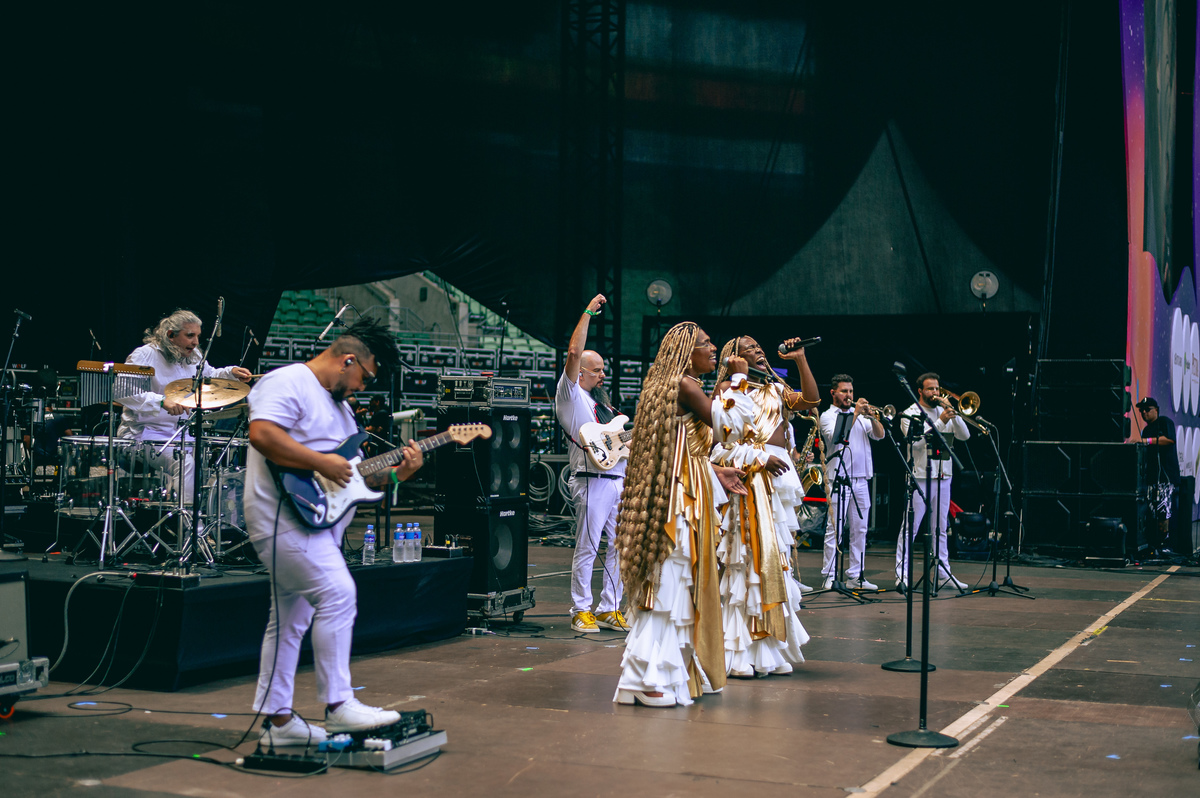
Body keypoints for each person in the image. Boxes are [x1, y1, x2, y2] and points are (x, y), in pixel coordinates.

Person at [244, 317, 424, 747]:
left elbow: (355, 478)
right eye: (366, 377)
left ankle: (279, 724)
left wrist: (399, 474)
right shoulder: (288, 381)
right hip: (282, 519)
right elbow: (262, 434)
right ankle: (339, 705)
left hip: (317, 526)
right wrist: (320, 461)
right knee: (338, 595)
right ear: (348, 361)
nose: (364, 387)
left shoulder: (342, 411)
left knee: (289, 622)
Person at [613, 322, 745, 707]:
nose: (714, 348)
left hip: (685, 493)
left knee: (672, 586)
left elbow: (686, 451)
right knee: (668, 585)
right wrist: (737, 381)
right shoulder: (685, 385)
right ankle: (644, 678)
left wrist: (716, 472)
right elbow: (727, 428)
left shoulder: (676, 385)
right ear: (687, 354)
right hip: (680, 503)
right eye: (706, 343)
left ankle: (654, 676)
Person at [710, 335, 819, 678]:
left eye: (760, 346)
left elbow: (811, 399)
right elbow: (720, 440)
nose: (759, 350)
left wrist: (799, 359)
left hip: (778, 478)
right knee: (747, 556)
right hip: (748, 473)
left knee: (776, 557)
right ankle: (739, 650)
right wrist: (755, 458)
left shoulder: (776, 388)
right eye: (750, 348)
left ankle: (769, 645)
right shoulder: (728, 389)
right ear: (735, 357)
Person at [117, 309, 252, 502]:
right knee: (185, 463)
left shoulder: (193, 355)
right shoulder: (145, 355)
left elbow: (209, 376)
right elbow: (122, 390)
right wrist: (161, 401)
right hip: (144, 433)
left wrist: (231, 373)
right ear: (170, 335)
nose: (196, 342)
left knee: (210, 462)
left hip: (181, 434)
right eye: (190, 336)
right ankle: (188, 519)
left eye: (197, 336)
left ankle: (201, 512)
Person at [555, 294, 627, 633]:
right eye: (596, 370)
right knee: (588, 547)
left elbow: (620, 443)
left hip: (617, 481)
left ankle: (609, 608)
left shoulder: (606, 408)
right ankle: (580, 609)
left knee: (620, 547)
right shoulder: (570, 396)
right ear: (580, 373)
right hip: (590, 480)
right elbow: (573, 352)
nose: (602, 375)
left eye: (602, 370)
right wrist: (586, 312)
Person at [894, 372, 970, 593]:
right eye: (930, 389)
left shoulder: (943, 411)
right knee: (911, 528)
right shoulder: (910, 413)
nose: (935, 393)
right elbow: (916, 442)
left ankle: (943, 574)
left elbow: (964, 436)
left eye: (937, 388)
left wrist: (954, 415)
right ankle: (902, 576)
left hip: (944, 475)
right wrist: (941, 421)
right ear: (920, 391)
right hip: (919, 476)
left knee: (941, 528)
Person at [819, 374, 885, 590]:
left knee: (860, 530)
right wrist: (855, 413)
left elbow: (880, 436)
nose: (849, 395)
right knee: (835, 529)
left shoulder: (862, 417)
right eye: (844, 391)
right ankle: (829, 575)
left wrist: (873, 417)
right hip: (839, 478)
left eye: (851, 391)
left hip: (861, 479)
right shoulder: (828, 416)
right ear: (833, 393)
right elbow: (837, 437)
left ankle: (856, 576)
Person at [1135, 397, 1179, 554]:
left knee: (1163, 511)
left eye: (1147, 410)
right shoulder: (1146, 430)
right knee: (1152, 512)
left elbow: (1169, 440)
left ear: (1156, 410)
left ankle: (1166, 544)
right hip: (1151, 478)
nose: (1144, 413)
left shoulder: (1164, 422)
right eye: (1141, 411)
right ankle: (1154, 543)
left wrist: (1147, 441)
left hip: (1165, 477)